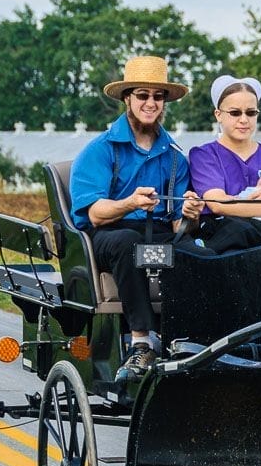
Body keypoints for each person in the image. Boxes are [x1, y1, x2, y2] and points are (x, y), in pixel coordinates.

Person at [69, 55, 204, 382]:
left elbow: (177, 226)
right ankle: (141, 342)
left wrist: (190, 215)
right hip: (109, 236)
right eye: (142, 95)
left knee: (200, 253)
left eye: (158, 97)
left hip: (158, 233)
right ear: (127, 98)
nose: (151, 103)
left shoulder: (174, 157)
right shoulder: (102, 150)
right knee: (128, 244)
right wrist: (129, 202)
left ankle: (194, 338)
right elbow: (94, 214)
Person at [188, 75, 261, 254]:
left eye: (251, 113)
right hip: (223, 242)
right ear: (218, 115)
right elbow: (218, 204)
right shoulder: (205, 156)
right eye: (235, 113)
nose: (244, 119)